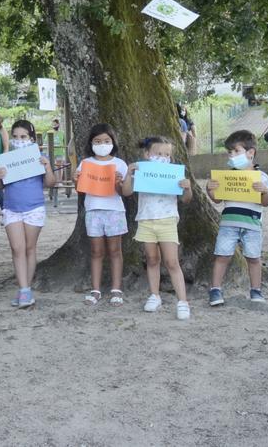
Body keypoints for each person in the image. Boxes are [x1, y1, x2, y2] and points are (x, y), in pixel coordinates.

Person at [122, 135, 192, 320]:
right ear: (147, 154)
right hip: (146, 220)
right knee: (152, 259)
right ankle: (154, 295)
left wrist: (188, 188)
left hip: (168, 220)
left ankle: (182, 302)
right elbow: (126, 192)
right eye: (158, 153)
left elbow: (185, 199)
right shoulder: (142, 171)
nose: (162, 157)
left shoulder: (174, 173)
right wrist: (128, 174)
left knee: (171, 262)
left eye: (166, 154)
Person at [206, 130, 268, 306]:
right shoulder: (226, 177)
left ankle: (256, 291)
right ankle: (215, 289)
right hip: (228, 224)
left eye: (236, 151)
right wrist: (209, 189)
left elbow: (266, 203)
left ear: (251, 153)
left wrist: (264, 191)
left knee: (254, 257)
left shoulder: (263, 177)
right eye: (230, 152)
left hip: (252, 224)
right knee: (222, 255)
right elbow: (217, 199)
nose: (232, 155)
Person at [0, 120, 57, 309]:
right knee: (17, 248)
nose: (19, 140)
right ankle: (23, 289)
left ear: (31, 138)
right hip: (11, 208)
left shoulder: (39, 156)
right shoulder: (7, 159)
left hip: (34, 208)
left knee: (29, 248)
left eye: (23, 137)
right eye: (15, 137)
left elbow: (51, 183)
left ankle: (26, 289)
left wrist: (47, 167)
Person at [75, 123, 129, 307]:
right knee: (96, 252)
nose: (102, 144)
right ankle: (95, 289)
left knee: (115, 251)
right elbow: (80, 190)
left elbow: (124, 192)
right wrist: (77, 181)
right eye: (97, 141)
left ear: (113, 142)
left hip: (115, 211)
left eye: (106, 140)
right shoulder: (86, 164)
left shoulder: (119, 164)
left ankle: (116, 289)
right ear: (91, 143)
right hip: (93, 211)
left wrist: (119, 183)